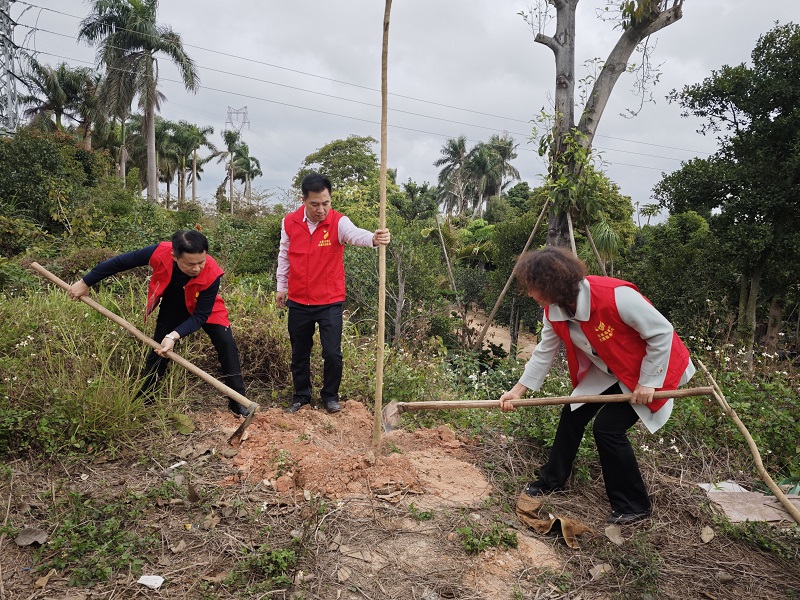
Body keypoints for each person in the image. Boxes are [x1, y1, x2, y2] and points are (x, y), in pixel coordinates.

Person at [498, 247, 695, 524]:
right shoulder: (552, 310)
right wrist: (517, 391)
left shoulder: (616, 296)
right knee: (573, 413)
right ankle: (551, 481)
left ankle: (634, 505)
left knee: (607, 429)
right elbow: (545, 351)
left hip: (652, 369)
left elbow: (662, 332)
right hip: (612, 369)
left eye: (534, 287)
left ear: (553, 284)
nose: (530, 294)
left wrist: (649, 382)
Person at [67, 229, 250, 417]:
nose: (197, 268)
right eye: (190, 264)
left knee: (227, 345)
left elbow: (200, 316)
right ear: (174, 256)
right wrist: (86, 282)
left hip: (204, 307)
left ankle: (238, 402)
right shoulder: (159, 251)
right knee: (159, 348)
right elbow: (120, 262)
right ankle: (147, 396)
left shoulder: (212, 272)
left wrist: (174, 335)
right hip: (173, 303)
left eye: (201, 262)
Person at [276, 172, 391, 414]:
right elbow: (284, 256)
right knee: (299, 352)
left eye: (326, 203)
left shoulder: (338, 222)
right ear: (304, 200)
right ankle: (301, 396)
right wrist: (281, 287)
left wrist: (373, 238)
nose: (321, 209)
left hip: (329, 301)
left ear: (330, 199)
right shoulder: (289, 223)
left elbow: (355, 234)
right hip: (298, 300)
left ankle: (330, 396)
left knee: (332, 353)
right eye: (315, 204)